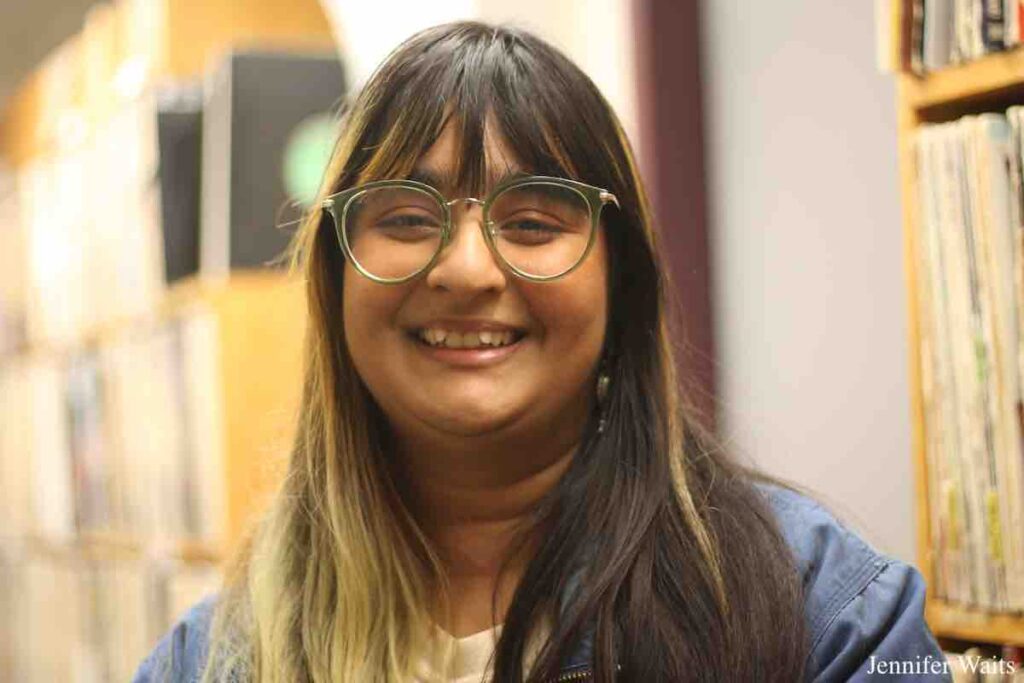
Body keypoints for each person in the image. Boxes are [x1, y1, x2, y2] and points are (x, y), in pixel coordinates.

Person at [134, 21, 947, 683]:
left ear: (619, 284)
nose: (465, 271)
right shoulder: (214, 660)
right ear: (334, 278)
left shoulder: (826, 614)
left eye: (531, 222)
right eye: (408, 218)